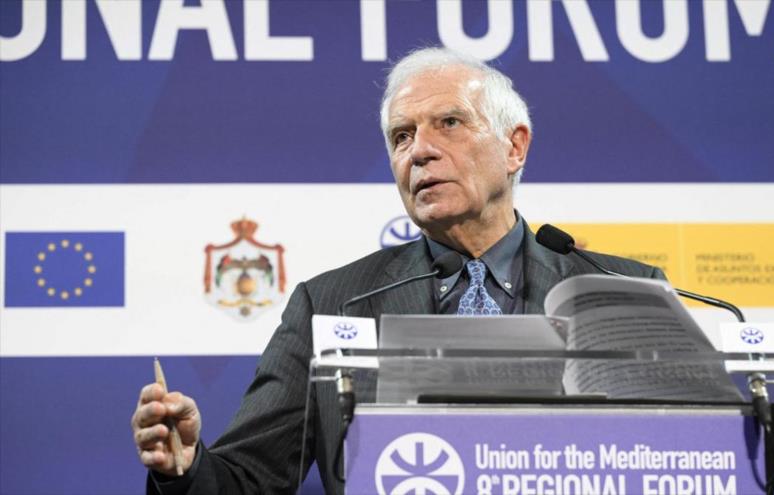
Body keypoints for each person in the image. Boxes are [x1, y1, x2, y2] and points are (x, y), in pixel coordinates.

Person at [131, 47, 665, 494]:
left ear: (514, 146)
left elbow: (680, 457)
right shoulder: (334, 303)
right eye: (401, 136)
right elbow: (248, 478)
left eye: (449, 123)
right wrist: (186, 468)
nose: (421, 151)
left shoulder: (623, 293)